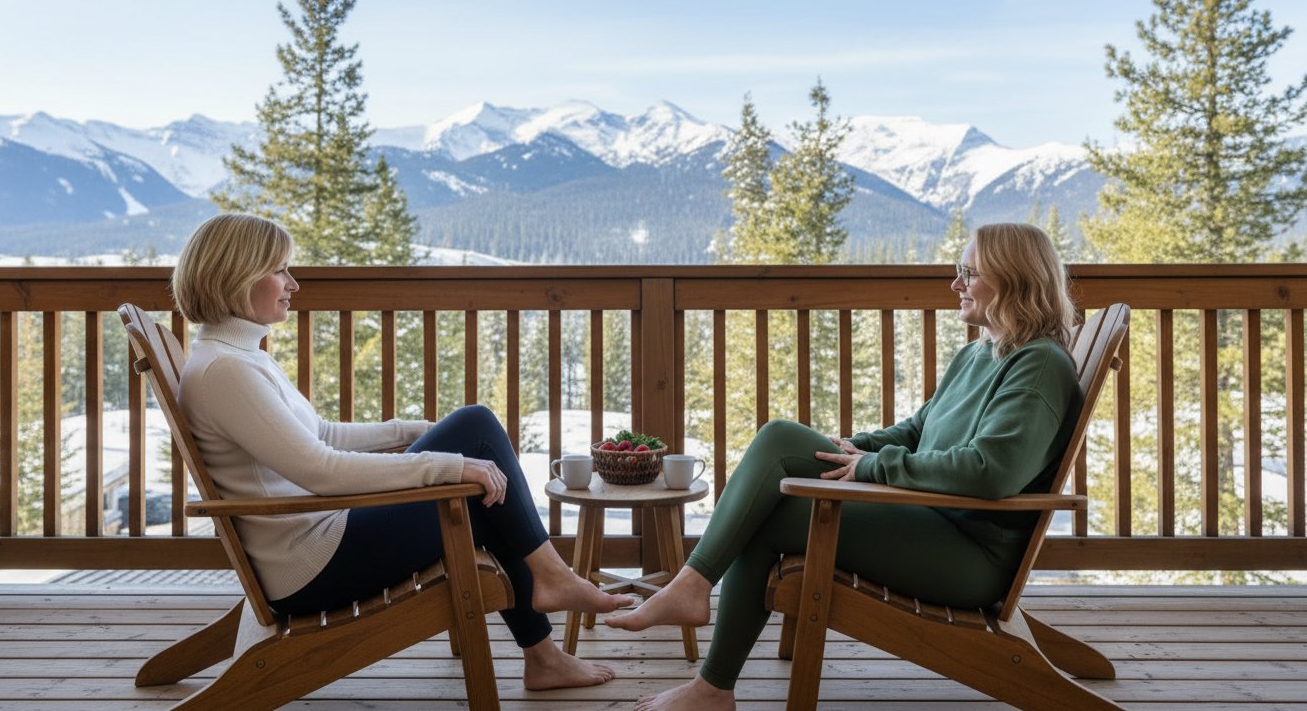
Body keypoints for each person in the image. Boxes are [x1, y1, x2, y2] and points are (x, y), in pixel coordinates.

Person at [606, 222, 1083, 710]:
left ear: (1013, 279)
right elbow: (918, 432)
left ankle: (698, 619)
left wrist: (874, 466)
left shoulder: (1038, 364)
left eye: (969, 272)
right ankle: (709, 672)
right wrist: (850, 447)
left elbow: (991, 471)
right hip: (932, 521)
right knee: (781, 457)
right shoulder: (980, 353)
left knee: (774, 474)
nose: (956, 284)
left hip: (969, 556)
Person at [171, 213, 633, 691]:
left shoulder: (239, 357)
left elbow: (322, 434)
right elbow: (321, 470)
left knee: (475, 449)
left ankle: (545, 640)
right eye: (280, 271)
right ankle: (551, 590)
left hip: (317, 540)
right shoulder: (226, 372)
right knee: (476, 434)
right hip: (311, 564)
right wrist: (447, 461)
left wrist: (420, 431)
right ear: (237, 275)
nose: (293, 283)